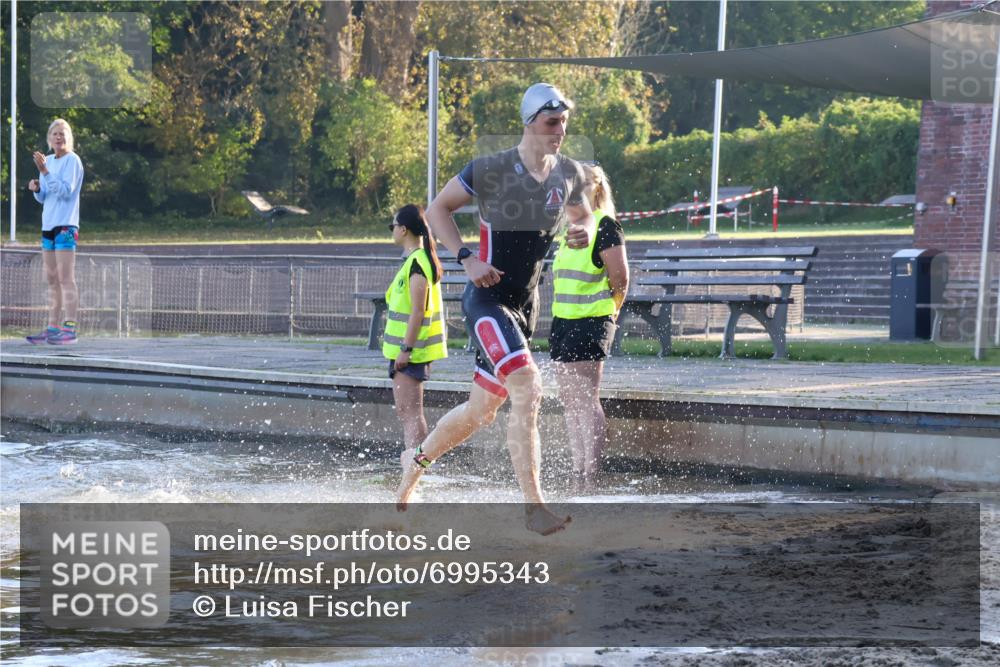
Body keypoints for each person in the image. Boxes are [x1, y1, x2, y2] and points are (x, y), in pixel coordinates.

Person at [396, 83, 594, 536]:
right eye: (551, 122)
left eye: (564, 122)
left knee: (479, 412)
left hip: (525, 305)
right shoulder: (490, 169)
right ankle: (534, 506)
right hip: (486, 300)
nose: (560, 131)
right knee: (528, 383)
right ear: (529, 122)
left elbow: (580, 219)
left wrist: (579, 234)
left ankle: (416, 460)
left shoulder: (569, 173)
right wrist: (466, 257)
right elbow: (438, 209)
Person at [549, 164, 629, 489]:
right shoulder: (568, 229)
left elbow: (620, 279)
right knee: (570, 401)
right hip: (562, 322)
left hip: (591, 321)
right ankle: (577, 470)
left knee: (585, 398)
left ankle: (591, 473)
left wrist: (612, 313)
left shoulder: (605, 226)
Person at [383, 204, 448, 452]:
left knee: (411, 414)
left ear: (404, 229)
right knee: (406, 412)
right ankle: (415, 467)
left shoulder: (418, 263)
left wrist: (406, 350)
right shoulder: (414, 260)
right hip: (405, 351)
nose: (392, 231)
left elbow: (418, 311)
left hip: (411, 352)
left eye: (393, 226)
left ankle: (416, 468)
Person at [26, 118, 84, 345]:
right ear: (49, 138)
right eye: (55, 134)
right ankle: (53, 327)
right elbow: (45, 197)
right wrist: (37, 188)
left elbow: (65, 192)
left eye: (63, 133)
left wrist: (45, 172)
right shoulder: (48, 160)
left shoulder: (72, 161)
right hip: (48, 225)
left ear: (69, 138)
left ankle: (70, 328)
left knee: (65, 277)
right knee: (51, 278)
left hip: (67, 226)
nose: (59, 137)